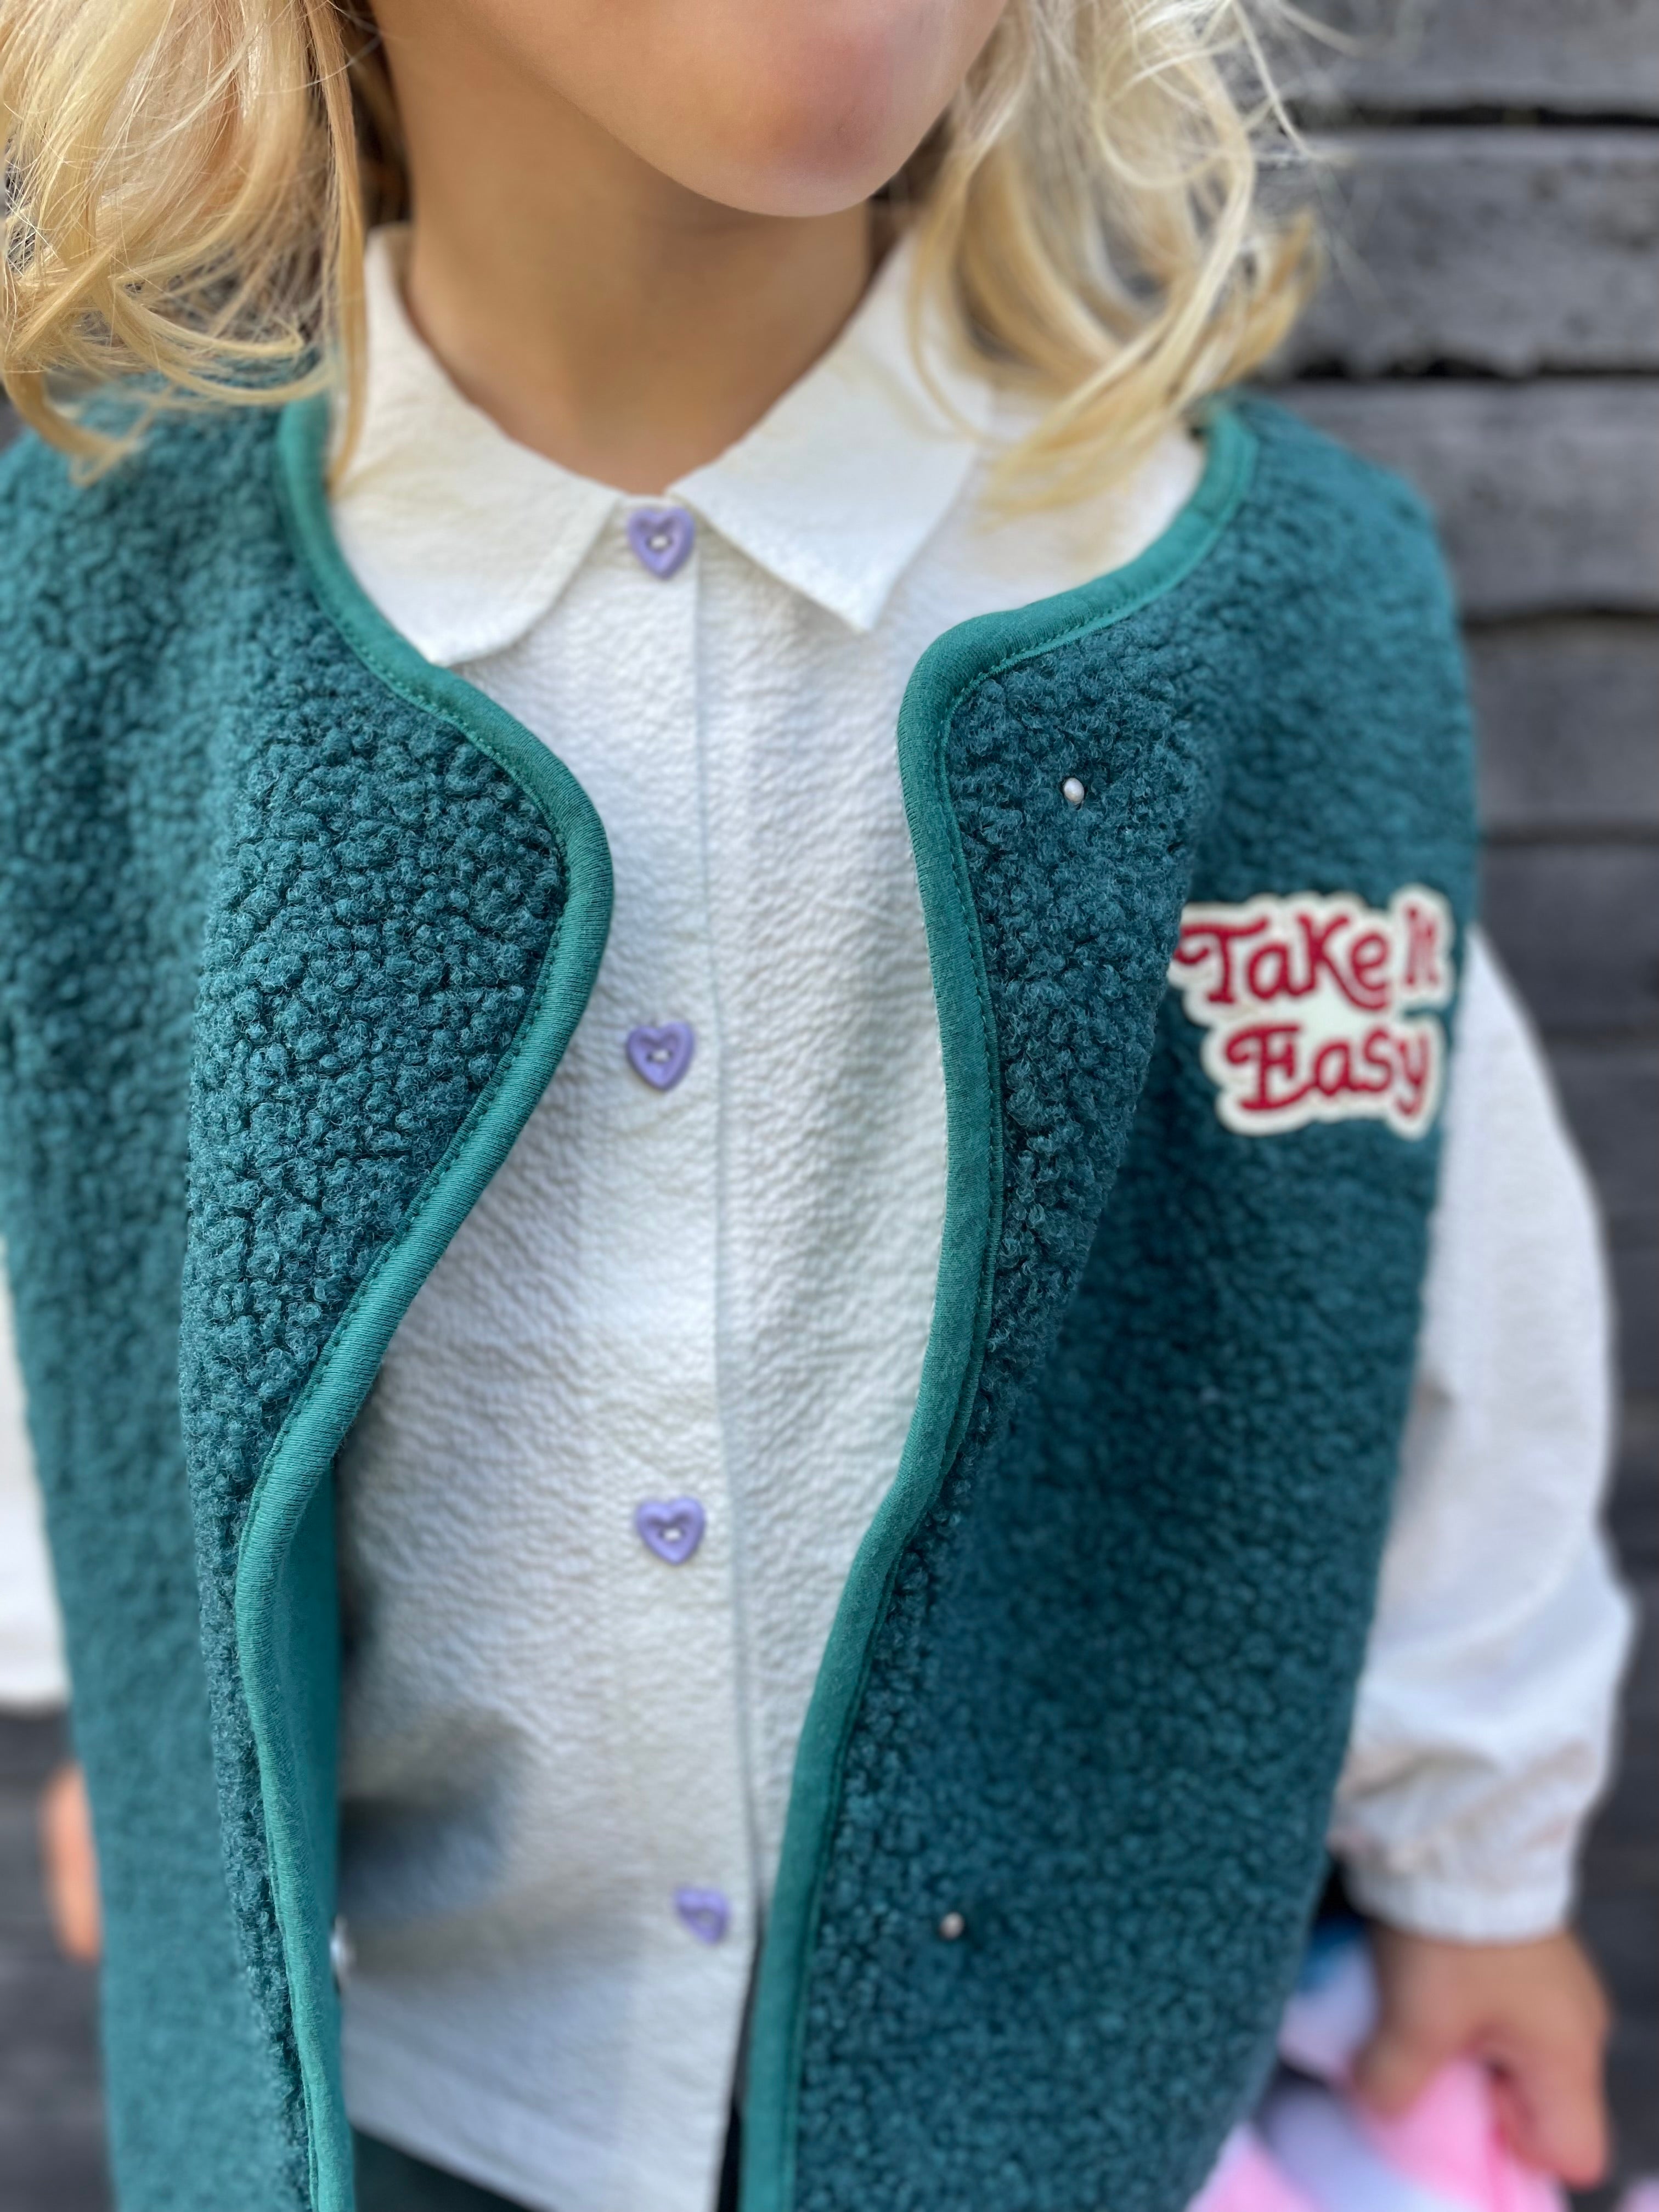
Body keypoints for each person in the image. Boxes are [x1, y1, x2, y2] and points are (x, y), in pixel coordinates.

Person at [0, 3, 1629, 2210]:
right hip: (404, 2087)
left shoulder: (1245, 627)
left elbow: (1403, 1257)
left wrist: (1474, 1865)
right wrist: (139, 1708)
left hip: (1055, 2105)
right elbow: (70, 1183)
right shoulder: (110, 604)